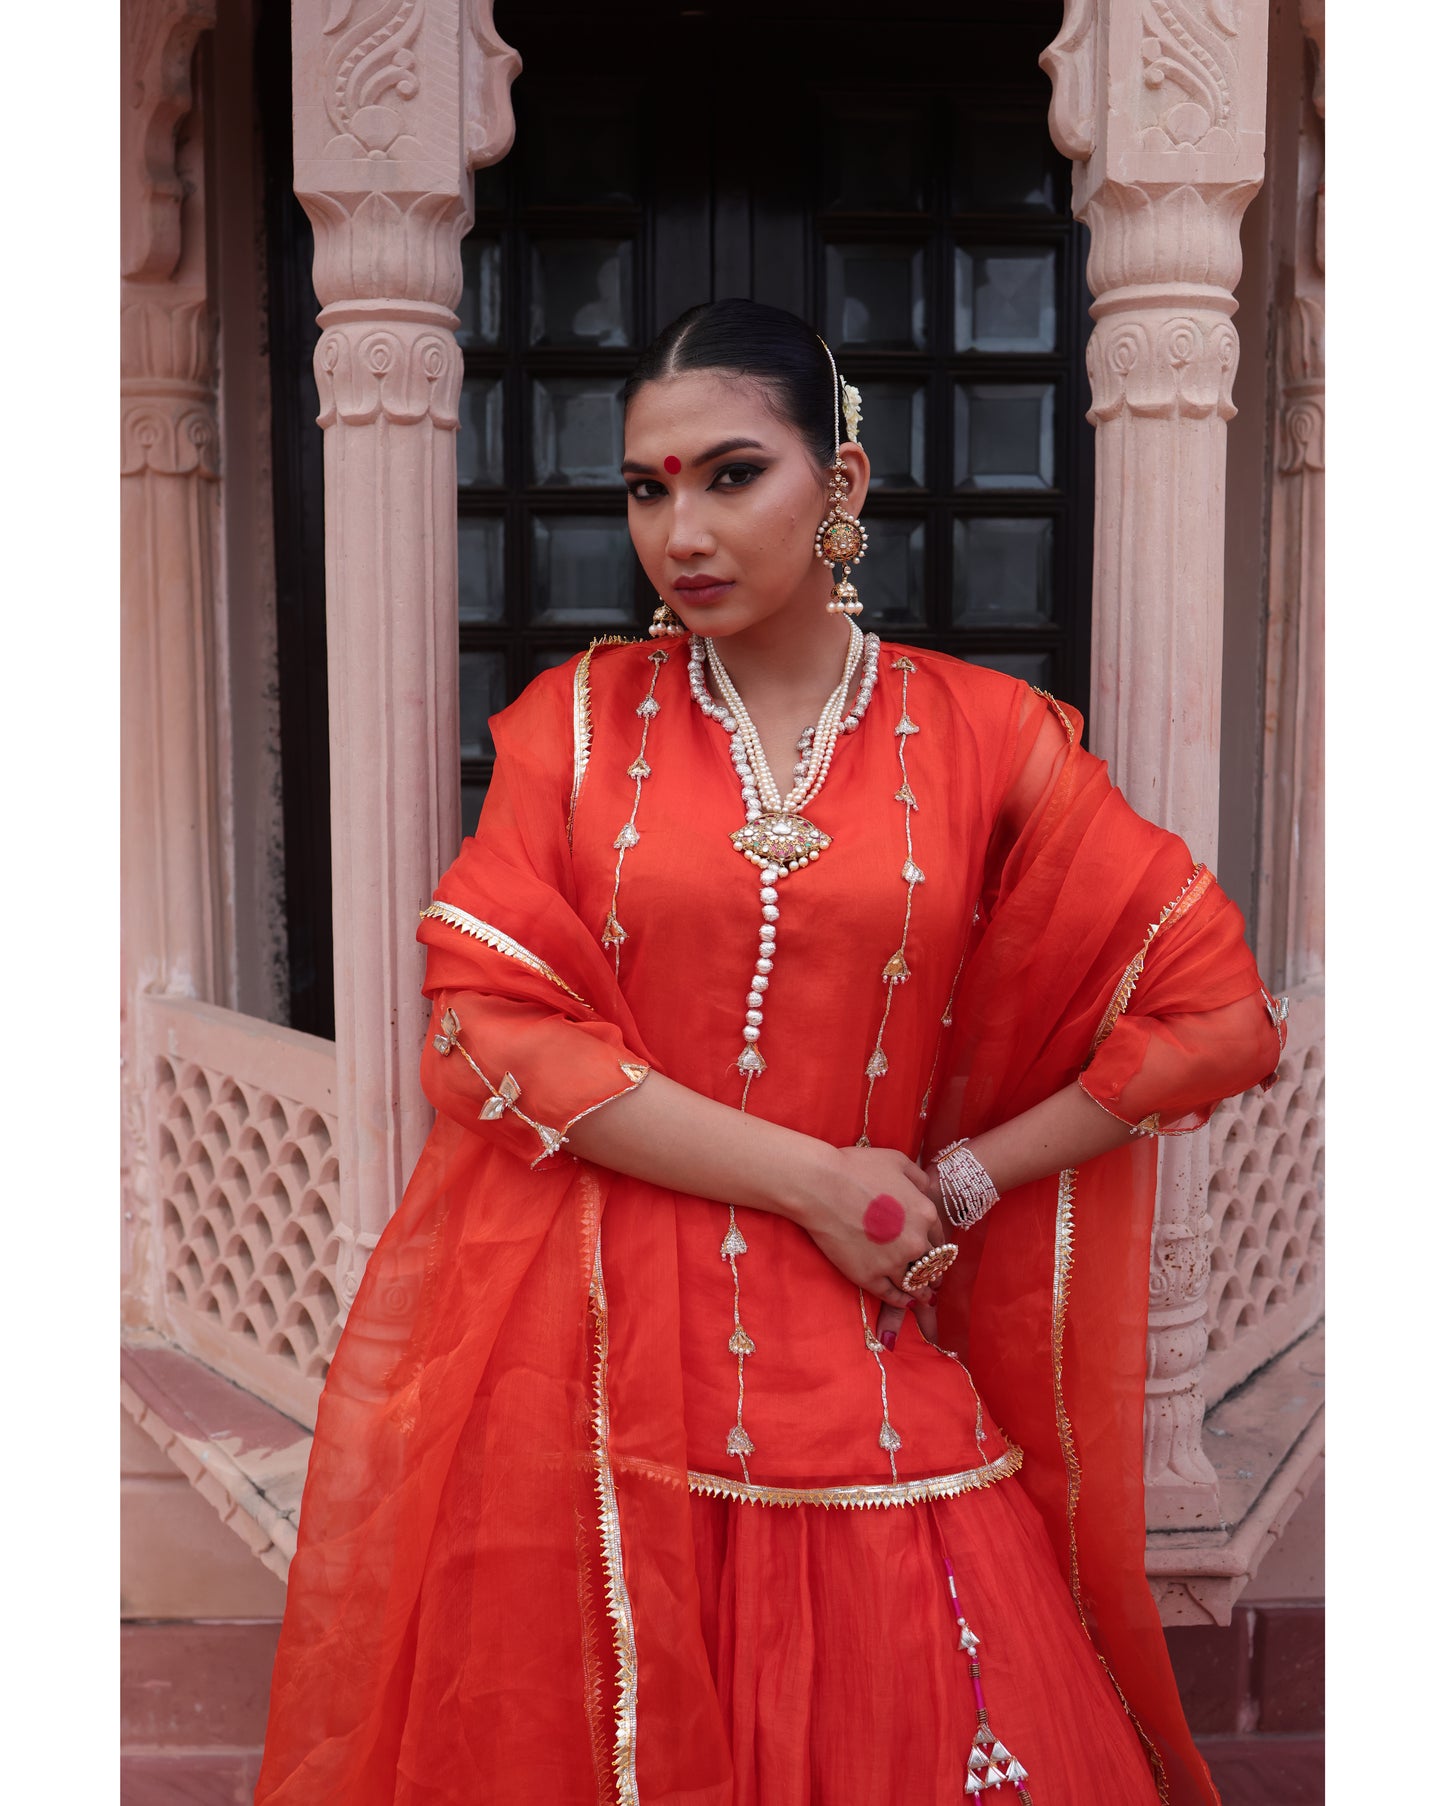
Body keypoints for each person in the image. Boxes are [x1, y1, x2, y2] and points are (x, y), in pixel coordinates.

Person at [255, 299, 1286, 1806]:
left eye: (732, 475)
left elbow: (1214, 1016)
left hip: (861, 1318)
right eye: (646, 488)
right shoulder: (574, 727)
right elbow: (487, 1031)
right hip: (585, 1324)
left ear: (841, 483)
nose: (681, 531)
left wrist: (951, 1182)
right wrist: (819, 1181)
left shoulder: (986, 734)